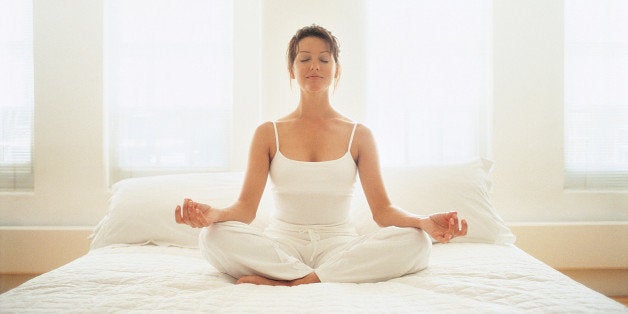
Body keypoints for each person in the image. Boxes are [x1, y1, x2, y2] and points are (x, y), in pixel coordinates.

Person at [175, 24, 467, 286]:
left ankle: (295, 280)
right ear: (292, 70)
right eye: (304, 59)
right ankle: (310, 275)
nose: (314, 66)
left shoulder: (359, 135)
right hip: (282, 244)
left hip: (339, 246)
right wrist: (213, 215)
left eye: (324, 59)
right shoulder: (268, 132)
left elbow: (383, 212)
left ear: (336, 69)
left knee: (416, 242)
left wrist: (423, 222)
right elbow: (245, 210)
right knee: (212, 236)